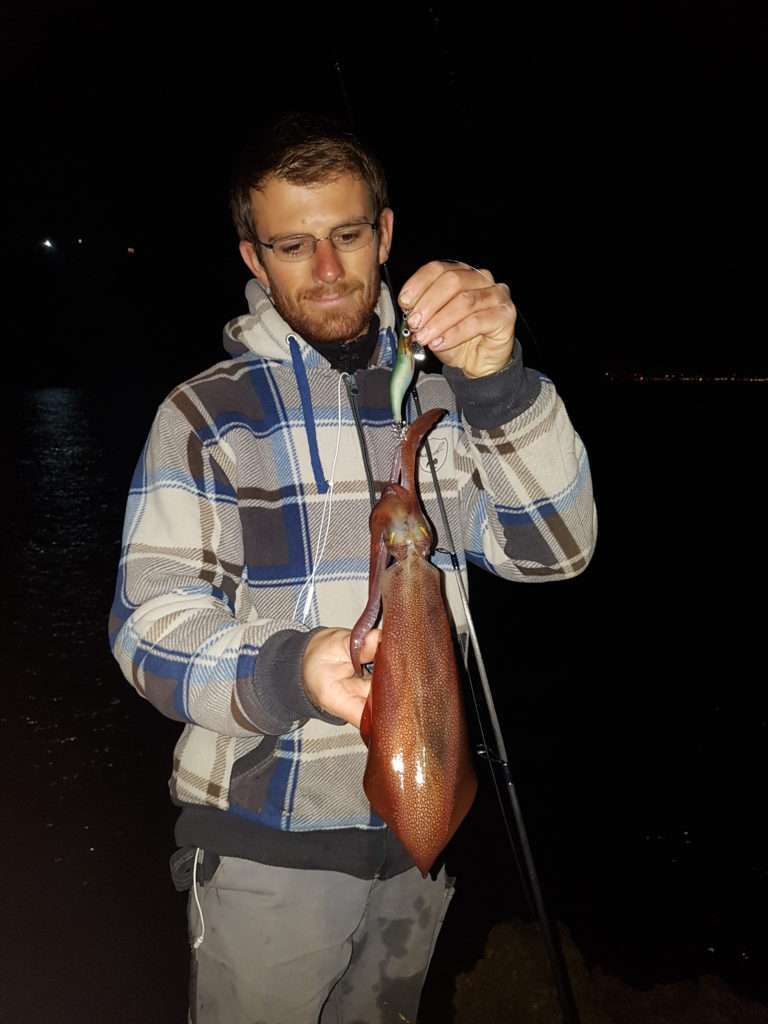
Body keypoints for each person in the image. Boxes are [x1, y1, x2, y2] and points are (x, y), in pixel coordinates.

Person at [109, 112, 596, 1024]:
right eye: (293, 245)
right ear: (254, 259)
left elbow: (554, 552)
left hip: (425, 834)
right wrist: (291, 670)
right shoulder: (205, 414)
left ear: (385, 234)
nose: (327, 271)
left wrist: (499, 385)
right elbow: (151, 629)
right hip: (268, 840)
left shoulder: (453, 396)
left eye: (346, 236)